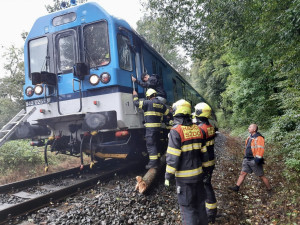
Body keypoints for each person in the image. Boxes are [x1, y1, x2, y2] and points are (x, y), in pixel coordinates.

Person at [165, 99, 208, 225]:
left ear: (176, 111)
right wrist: (205, 171)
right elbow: (204, 154)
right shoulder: (199, 130)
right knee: (200, 205)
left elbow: (173, 157)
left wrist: (168, 176)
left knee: (187, 209)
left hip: (184, 180)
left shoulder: (176, 131)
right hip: (199, 175)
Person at [229, 124, 272, 193]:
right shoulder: (249, 137)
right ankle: (237, 187)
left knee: (261, 176)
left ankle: (269, 189)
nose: (248, 128)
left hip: (254, 160)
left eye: (250, 127)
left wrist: (257, 159)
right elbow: (247, 148)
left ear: (254, 129)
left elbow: (260, 149)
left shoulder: (259, 138)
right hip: (247, 159)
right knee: (242, 173)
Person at [133, 88, 169, 169]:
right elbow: (167, 113)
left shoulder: (147, 102)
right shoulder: (161, 104)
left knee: (151, 145)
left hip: (150, 129)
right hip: (158, 128)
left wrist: (135, 95)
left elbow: (136, 103)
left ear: (149, 96)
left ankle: (153, 163)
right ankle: (158, 160)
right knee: (157, 143)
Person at [194, 102, 217, 223]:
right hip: (211, 160)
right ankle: (210, 211)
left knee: (206, 185)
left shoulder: (200, 129)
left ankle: (211, 213)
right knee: (206, 184)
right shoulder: (210, 127)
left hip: (204, 163)